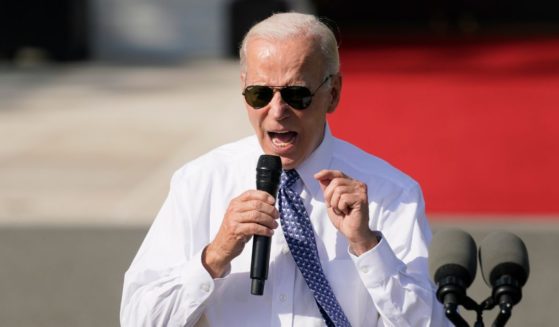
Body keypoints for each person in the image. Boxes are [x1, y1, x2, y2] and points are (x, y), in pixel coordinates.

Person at [120, 12, 448, 326]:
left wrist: (366, 245)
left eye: (296, 95)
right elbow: (138, 319)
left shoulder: (390, 193)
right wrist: (215, 255)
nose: (277, 111)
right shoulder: (199, 182)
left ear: (332, 94)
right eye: (260, 94)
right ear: (243, 88)